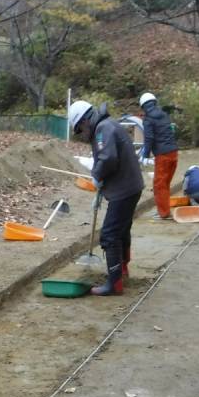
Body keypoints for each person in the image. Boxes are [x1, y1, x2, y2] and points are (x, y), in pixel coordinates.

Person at [68, 99, 144, 295]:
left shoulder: (103, 129)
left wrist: (97, 176)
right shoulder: (106, 125)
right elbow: (107, 157)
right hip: (129, 185)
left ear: (84, 121)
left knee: (109, 235)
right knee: (121, 229)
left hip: (124, 189)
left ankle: (114, 283)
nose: (81, 135)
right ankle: (122, 269)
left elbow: (108, 158)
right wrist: (102, 182)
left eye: (78, 130)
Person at [138, 91, 178, 220]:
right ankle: (164, 210)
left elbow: (149, 138)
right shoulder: (164, 115)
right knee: (165, 184)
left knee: (159, 185)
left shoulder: (148, 119)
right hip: (174, 153)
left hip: (163, 156)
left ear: (143, 106)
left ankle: (164, 213)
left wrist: (145, 155)